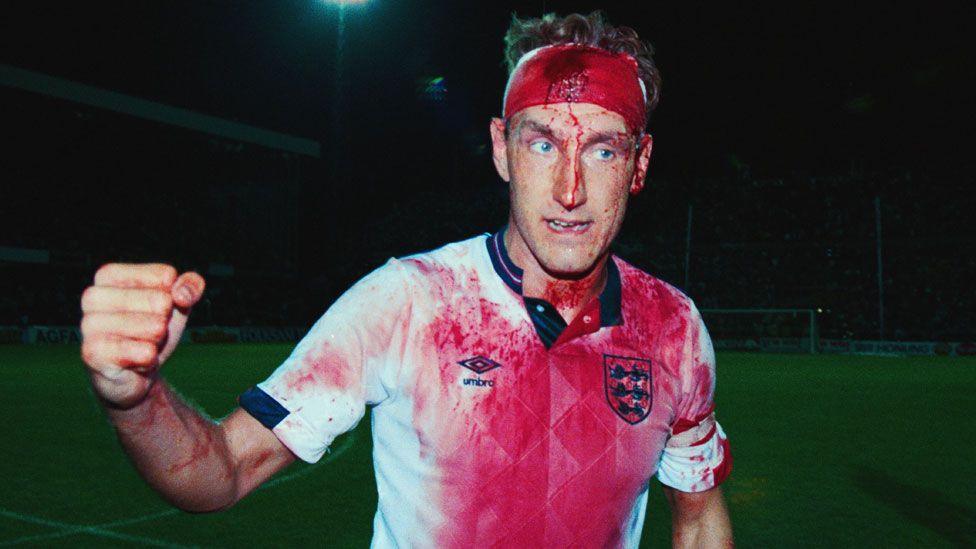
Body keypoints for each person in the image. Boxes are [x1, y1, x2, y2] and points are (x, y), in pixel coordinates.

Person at [80, 11, 733, 548]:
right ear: (503, 149)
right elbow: (220, 471)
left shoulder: (672, 329)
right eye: (541, 144)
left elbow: (698, 516)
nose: (570, 190)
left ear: (639, 162)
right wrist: (136, 398)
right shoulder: (406, 302)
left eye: (602, 149)